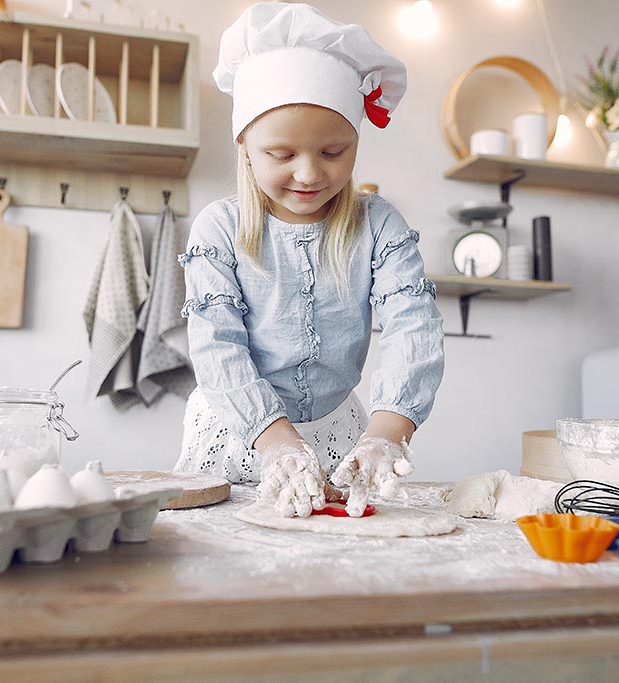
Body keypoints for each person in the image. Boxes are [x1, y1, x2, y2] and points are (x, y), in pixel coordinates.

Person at [174, 2, 444, 518]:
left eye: (334, 151)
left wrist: (387, 435)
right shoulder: (219, 228)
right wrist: (274, 442)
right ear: (246, 146)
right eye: (282, 154)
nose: (308, 173)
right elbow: (216, 346)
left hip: (343, 438)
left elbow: (414, 327)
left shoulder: (378, 225)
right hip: (237, 431)